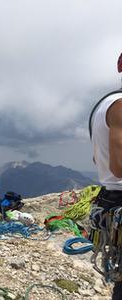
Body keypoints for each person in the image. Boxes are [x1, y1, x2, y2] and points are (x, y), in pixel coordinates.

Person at [90, 52, 122, 300]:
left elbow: (97, 158)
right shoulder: (120, 106)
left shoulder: (104, 104)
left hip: (111, 200)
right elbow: (119, 165)